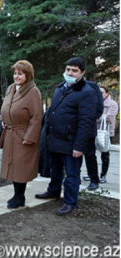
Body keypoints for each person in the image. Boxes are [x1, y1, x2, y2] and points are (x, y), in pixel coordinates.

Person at [35, 57, 97, 216]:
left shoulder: (86, 92)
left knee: (71, 174)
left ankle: (70, 202)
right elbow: (53, 112)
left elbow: (86, 121)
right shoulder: (61, 87)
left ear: (82, 72)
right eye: (68, 69)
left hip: (71, 142)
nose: (70, 73)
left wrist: (79, 146)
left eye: (74, 70)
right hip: (55, 138)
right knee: (54, 168)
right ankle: (53, 191)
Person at [0, 60, 43, 209]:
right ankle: (17, 194)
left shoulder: (33, 91)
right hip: (10, 133)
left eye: (20, 73)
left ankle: (20, 196)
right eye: (15, 73)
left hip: (23, 134)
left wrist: (30, 137)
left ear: (28, 75)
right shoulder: (11, 88)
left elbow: (37, 117)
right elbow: (5, 107)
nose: (16, 76)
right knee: (12, 167)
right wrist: (3, 120)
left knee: (20, 167)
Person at [81, 80, 104, 190]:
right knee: (72, 156)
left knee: (89, 155)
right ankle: (73, 178)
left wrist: (87, 119)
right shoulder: (66, 86)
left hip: (87, 128)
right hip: (71, 129)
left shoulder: (92, 86)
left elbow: (99, 108)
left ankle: (94, 180)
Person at [97, 85, 118, 183]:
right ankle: (91, 173)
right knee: (90, 153)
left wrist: (96, 117)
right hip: (93, 131)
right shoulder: (95, 102)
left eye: (102, 92)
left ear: (107, 93)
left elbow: (109, 118)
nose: (100, 94)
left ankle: (103, 174)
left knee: (105, 153)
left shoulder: (112, 104)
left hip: (106, 132)